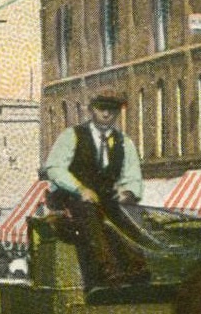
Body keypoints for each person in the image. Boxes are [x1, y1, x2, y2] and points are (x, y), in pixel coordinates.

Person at [42, 90, 151, 288]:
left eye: (112, 110)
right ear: (92, 109)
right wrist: (80, 188)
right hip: (71, 199)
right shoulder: (71, 136)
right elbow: (55, 169)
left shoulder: (124, 143)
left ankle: (136, 270)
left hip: (107, 200)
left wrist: (127, 192)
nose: (106, 114)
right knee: (88, 212)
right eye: (102, 108)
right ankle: (106, 271)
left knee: (130, 216)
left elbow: (133, 177)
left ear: (117, 112)